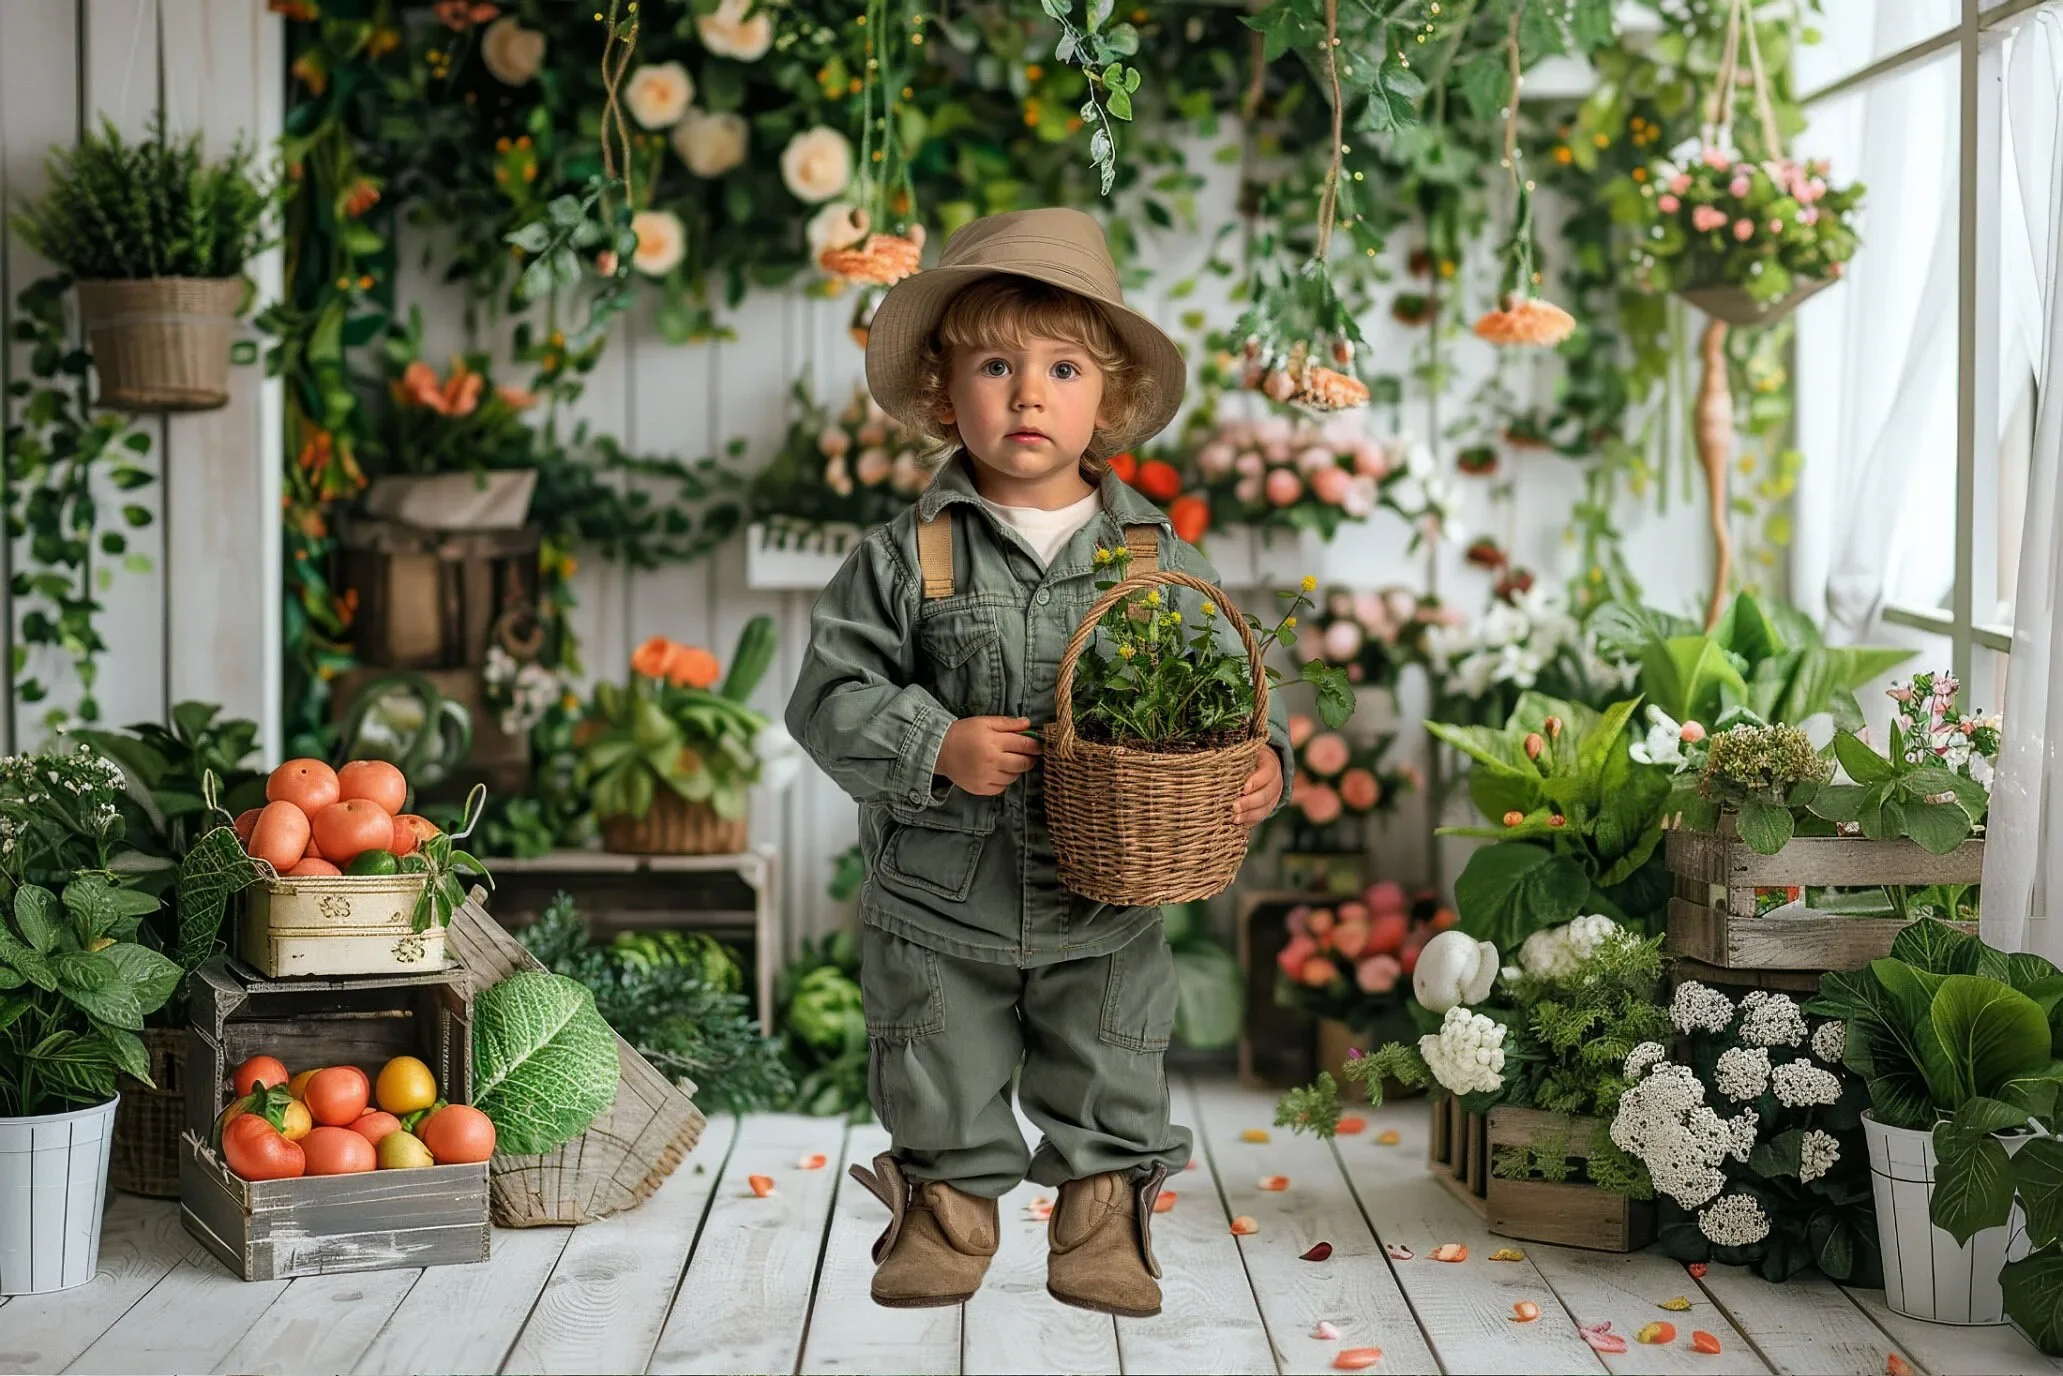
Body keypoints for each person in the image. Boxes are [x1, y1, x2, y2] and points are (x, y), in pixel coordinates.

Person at [786, 206, 1294, 1317]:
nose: (1028, 395)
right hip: (940, 896)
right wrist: (936, 741)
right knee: (937, 1060)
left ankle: (1101, 1216)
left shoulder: (1152, 557)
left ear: (1106, 399)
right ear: (942, 392)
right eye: (994, 367)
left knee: (1110, 1056)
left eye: (1062, 368)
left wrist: (1260, 759)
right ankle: (945, 1212)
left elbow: (1235, 686)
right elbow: (826, 698)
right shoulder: (904, 558)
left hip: (1104, 893)